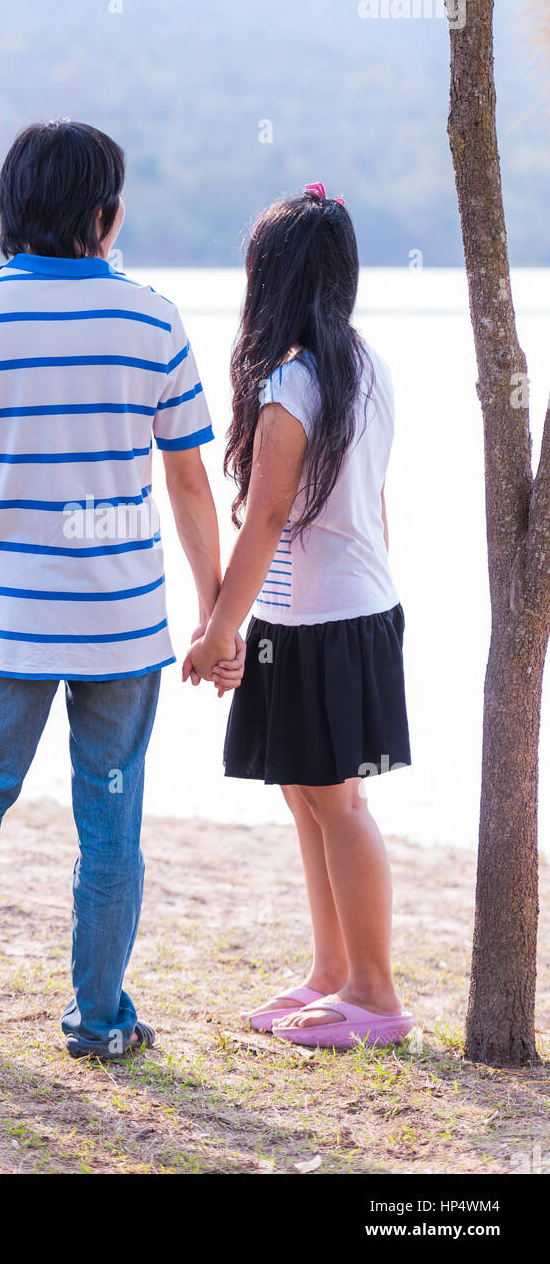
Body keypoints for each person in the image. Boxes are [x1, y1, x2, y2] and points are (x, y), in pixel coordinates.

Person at [0, 119, 243, 1057]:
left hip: (5, 622)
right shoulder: (153, 317)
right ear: (104, 216)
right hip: (123, 628)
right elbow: (190, 481)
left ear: (11, 209)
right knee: (109, 821)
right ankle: (100, 1019)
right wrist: (213, 613)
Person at [185, 183, 413, 1049]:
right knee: (307, 797)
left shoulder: (293, 382)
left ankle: (376, 997)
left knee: (335, 801)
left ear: (266, 278)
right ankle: (332, 974)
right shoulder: (364, 367)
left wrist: (215, 632)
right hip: (336, 612)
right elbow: (366, 505)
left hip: (326, 618)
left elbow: (268, 517)